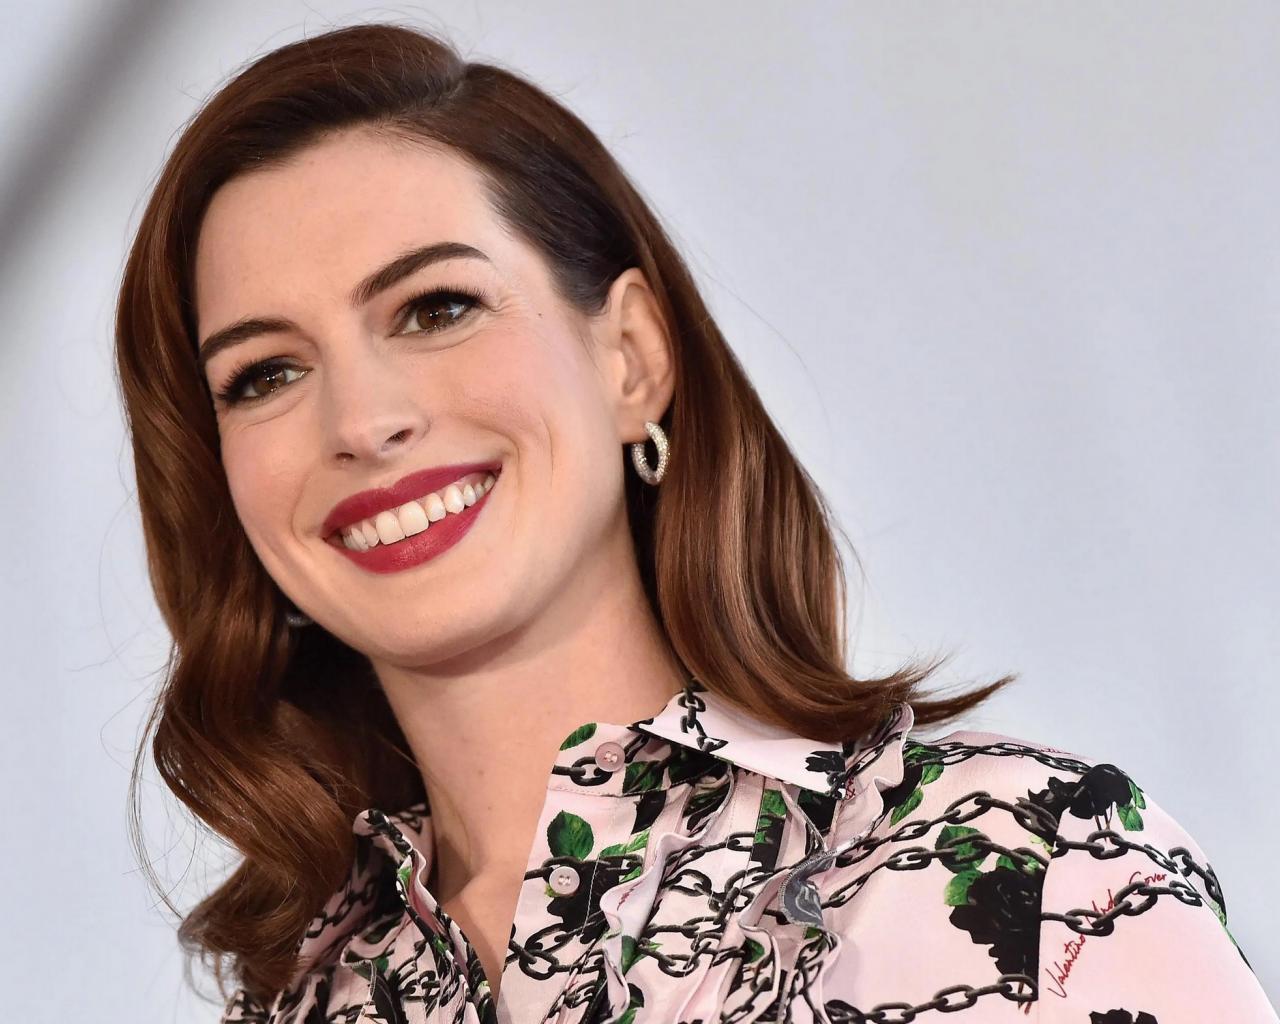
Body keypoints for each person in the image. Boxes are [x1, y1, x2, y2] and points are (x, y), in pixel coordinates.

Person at [113, 22, 1277, 1024]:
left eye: (436, 306)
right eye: (264, 374)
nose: (362, 421)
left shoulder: (1031, 873)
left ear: (629, 357)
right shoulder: (305, 1000)